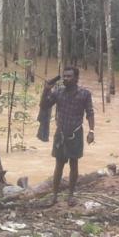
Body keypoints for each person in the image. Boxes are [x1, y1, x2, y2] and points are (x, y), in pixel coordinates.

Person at [39, 66, 95, 206]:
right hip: (61, 134)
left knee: (74, 164)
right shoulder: (58, 92)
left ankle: (71, 195)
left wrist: (91, 131)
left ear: (76, 78)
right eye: (64, 76)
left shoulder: (84, 94)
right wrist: (46, 89)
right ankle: (54, 195)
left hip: (75, 133)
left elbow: (90, 113)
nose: (66, 79)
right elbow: (44, 105)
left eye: (69, 76)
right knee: (59, 165)